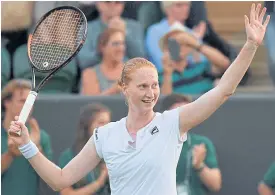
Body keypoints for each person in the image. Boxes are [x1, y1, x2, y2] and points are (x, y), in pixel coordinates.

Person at [8, 4, 270, 195]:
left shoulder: (173, 123)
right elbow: (60, 179)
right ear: (124, 89)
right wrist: (28, 145)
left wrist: (250, 46)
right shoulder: (105, 135)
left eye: (155, 85)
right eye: (143, 86)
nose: (151, 92)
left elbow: (223, 90)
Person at [161, 94, 221, 195]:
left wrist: (199, 166)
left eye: (189, 112)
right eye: (180, 112)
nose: (186, 116)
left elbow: (216, 185)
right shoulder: (153, 142)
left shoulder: (200, 143)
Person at [1, 79, 53, 195]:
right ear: (6, 102)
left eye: (30, 102)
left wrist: (35, 148)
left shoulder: (42, 136)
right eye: (22, 101)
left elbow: (50, 179)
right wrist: (10, 154)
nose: (28, 106)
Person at [159, 22, 230, 95]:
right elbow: (165, 101)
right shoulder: (159, 76)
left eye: (184, 42)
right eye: (173, 43)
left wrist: (196, 45)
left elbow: (224, 64)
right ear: (166, 48)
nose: (179, 46)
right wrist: (167, 73)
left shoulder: (202, 67)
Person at [59, 103, 111, 195]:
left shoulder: (112, 153)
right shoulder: (70, 155)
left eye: (108, 123)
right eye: (101, 123)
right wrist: (99, 182)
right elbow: (66, 193)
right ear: (87, 126)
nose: (106, 127)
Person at [78, 1, 145, 70]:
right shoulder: (86, 28)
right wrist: (103, 50)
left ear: (123, 5)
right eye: (107, 2)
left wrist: (125, 34)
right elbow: (83, 62)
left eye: (117, 2)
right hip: (95, 75)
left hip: (128, 74)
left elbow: (141, 59)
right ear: (98, 4)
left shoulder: (135, 26)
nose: (112, 5)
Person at [81, 28, 125, 96]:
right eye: (116, 44)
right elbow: (91, 104)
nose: (121, 48)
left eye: (122, 43)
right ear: (102, 47)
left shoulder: (133, 72)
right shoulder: (90, 74)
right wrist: (113, 90)